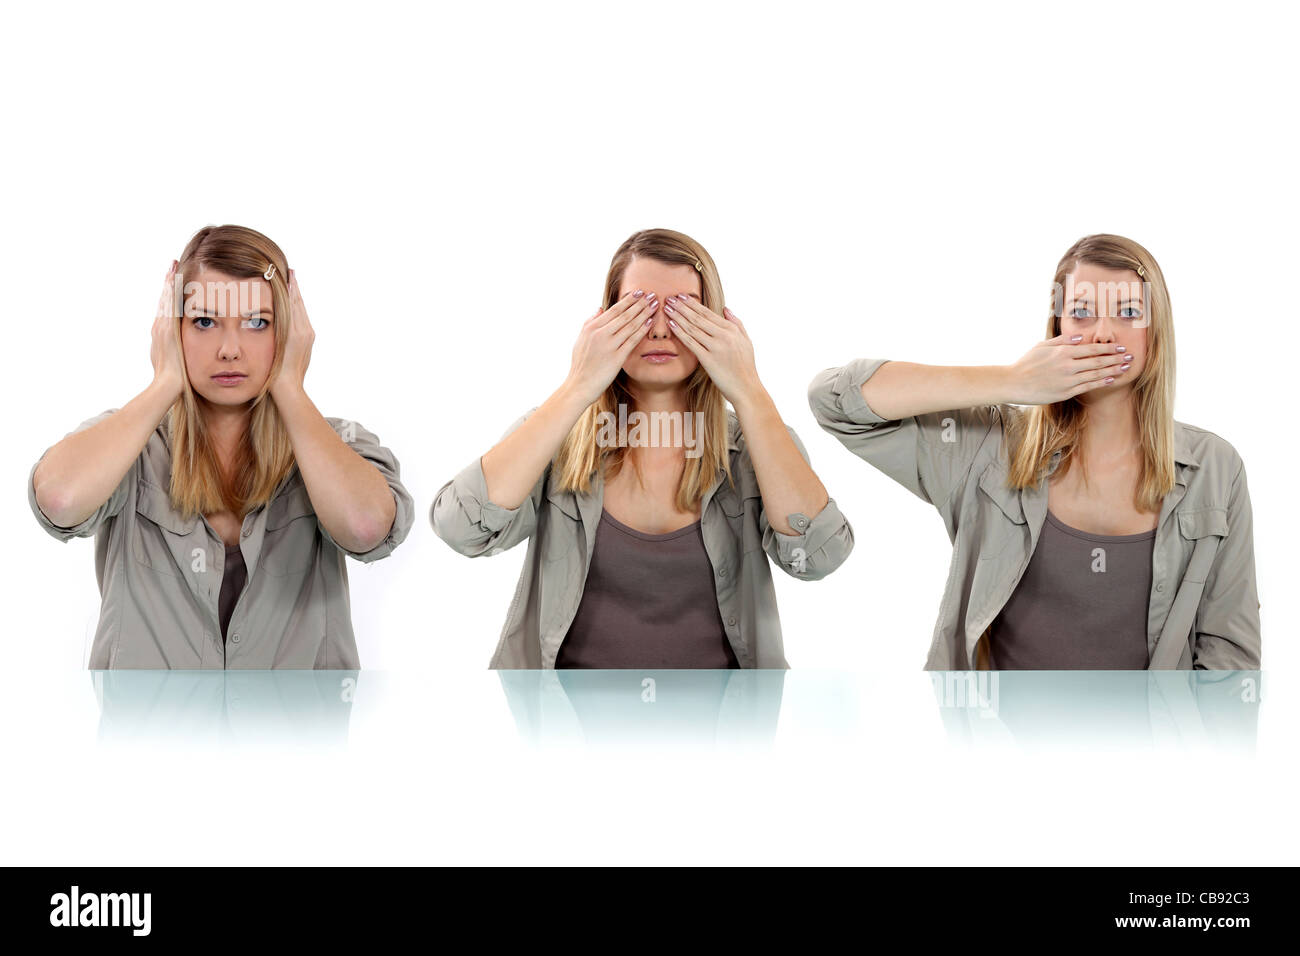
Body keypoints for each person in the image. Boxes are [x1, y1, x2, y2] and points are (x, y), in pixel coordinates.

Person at [809, 233, 1259, 670]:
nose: (1104, 334)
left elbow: (1230, 662)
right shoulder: (988, 447)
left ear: (1155, 330)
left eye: (1127, 312)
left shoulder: (1216, 470)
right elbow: (833, 402)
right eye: (1082, 312)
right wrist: (1013, 380)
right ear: (1057, 327)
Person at [433, 227, 853, 668]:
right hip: (562, 731)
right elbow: (461, 529)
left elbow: (820, 559)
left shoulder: (756, 446)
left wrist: (749, 391)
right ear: (603, 322)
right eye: (637, 309)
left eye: (682, 311)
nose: (656, 329)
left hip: (729, 732)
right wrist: (578, 384)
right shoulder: (553, 439)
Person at [29, 224, 413, 668]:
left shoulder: (336, 445)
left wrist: (289, 386)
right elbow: (59, 500)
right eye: (205, 321)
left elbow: (365, 527)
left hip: (300, 737)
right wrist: (166, 382)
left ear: (287, 333)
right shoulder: (130, 444)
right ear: (173, 330)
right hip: (148, 737)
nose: (230, 349)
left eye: (257, 323)